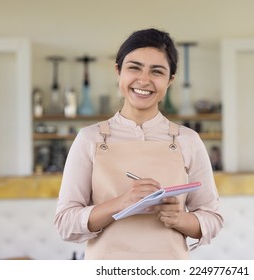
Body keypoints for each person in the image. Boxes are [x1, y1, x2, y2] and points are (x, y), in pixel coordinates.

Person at [54, 28, 223, 259]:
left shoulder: (188, 141)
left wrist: (180, 219)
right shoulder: (89, 139)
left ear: (170, 80)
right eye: (134, 67)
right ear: (118, 71)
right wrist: (121, 203)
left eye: (157, 71)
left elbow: (212, 218)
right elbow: (65, 223)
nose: (144, 80)